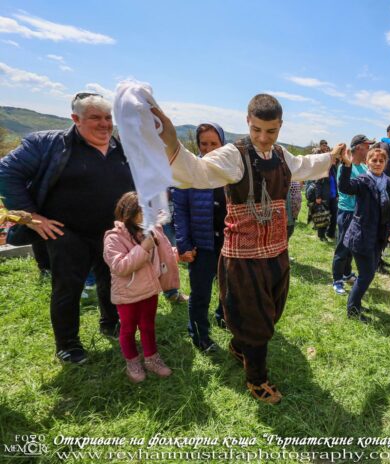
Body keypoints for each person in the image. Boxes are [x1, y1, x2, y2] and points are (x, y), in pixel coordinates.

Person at [152, 94, 342, 404]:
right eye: (256, 130)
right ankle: (257, 379)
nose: (263, 138)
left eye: (271, 131)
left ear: (280, 126)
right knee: (256, 321)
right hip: (244, 258)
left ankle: (240, 347)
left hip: (277, 252)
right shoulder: (233, 155)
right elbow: (197, 172)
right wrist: (172, 143)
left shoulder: (281, 156)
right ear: (247, 123)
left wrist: (332, 156)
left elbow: (306, 165)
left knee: (271, 313)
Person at [0, 92, 135, 364]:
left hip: (110, 232)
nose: (104, 124)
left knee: (112, 280)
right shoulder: (47, 144)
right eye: (94, 117)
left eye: (108, 117)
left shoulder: (120, 147)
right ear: (75, 119)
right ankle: (68, 345)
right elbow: (6, 173)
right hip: (66, 232)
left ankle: (110, 323)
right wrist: (31, 217)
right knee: (68, 288)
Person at [103, 192, 177, 383]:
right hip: (128, 293)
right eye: (144, 211)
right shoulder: (113, 238)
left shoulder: (150, 231)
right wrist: (143, 248)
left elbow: (163, 254)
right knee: (128, 329)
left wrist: (175, 254)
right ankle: (132, 362)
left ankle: (152, 358)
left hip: (149, 290)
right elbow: (120, 267)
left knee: (148, 325)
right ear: (129, 213)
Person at [338, 147, 390, 322]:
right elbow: (345, 187)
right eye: (374, 160)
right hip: (361, 236)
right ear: (367, 162)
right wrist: (347, 165)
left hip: (377, 237)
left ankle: (355, 302)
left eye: (382, 161)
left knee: (368, 273)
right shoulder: (363, 181)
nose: (378, 164)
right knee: (366, 275)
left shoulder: (387, 181)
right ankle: (352, 311)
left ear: (386, 163)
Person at [172, 123, 227, 353]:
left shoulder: (230, 169)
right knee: (201, 291)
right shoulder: (189, 169)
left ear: (222, 143)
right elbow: (180, 210)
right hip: (202, 243)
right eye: (204, 143)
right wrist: (184, 244)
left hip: (228, 241)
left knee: (229, 286)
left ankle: (223, 316)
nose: (208, 148)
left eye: (214, 143)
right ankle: (199, 335)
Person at [331, 135, 372, 295]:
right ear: (359, 148)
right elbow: (344, 190)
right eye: (367, 146)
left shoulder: (363, 168)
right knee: (342, 247)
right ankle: (337, 279)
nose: (369, 150)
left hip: (358, 213)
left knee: (351, 246)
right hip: (347, 212)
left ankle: (347, 274)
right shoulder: (345, 167)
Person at [314, 149, 339, 241]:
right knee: (324, 216)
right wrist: (318, 196)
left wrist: (337, 195)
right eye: (334, 159)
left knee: (334, 217)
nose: (335, 161)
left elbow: (336, 183)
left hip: (333, 197)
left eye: (336, 159)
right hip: (324, 197)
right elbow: (318, 183)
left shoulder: (334, 169)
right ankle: (321, 235)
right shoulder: (323, 169)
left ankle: (331, 233)